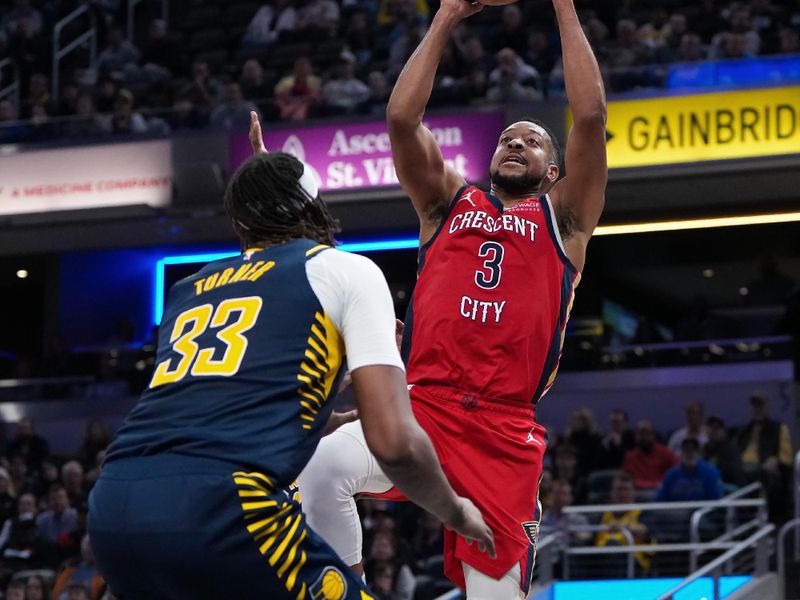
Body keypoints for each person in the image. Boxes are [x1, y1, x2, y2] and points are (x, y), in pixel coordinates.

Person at [88, 132, 493, 600]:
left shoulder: (188, 289)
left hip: (114, 506)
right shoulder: (345, 270)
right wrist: (456, 512)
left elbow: (205, 410)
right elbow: (395, 445)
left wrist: (320, 419)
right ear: (315, 205)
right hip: (216, 509)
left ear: (240, 219)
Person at [292, 0, 607, 596]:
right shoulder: (446, 202)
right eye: (508, 138)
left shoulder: (564, 220)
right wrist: (446, 17)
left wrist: (563, 5)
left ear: (552, 171)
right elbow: (401, 121)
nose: (515, 144)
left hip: (503, 428)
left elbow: (589, 118)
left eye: (533, 142)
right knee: (321, 468)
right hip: (423, 406)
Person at [655, 438, 723, 502]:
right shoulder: (671, 474)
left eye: (693, 450)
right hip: (675, 512)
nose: (690, 453)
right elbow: (660, 499)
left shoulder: (711, 473)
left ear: (700, 453)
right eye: (686, 450)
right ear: (681, 453)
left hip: (703, 512)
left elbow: (716, 499)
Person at [623, 420, 678, 490]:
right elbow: (627, 480)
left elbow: (675, 477)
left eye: (647, 433)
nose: (644, 437)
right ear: (635, 436)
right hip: (637, 494)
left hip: (661, 493)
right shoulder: (630, 457)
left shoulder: (667, 454)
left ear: (654, 435)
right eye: (640, 433)